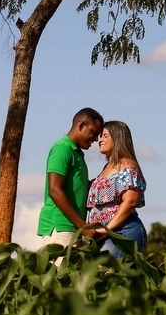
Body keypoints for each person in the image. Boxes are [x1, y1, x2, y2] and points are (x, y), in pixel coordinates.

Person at [37, 107, 106, 250]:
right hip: (60, 227)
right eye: (94, 132)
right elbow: (54, 190)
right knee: (61, 272)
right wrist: (82, 224)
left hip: (72, 228)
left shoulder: (77, 154)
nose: (95, 139)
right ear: (81, 126)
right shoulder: (62, 149)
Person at [86, 120, 147, 257]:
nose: (100, 140)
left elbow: (130, 201)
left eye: (105, 136)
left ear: (118, 138)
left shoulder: (127, 166)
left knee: (109, 274)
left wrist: (106, 229)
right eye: (100, 136)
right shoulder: (106, 168)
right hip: (104, 235)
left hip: (123, 232)